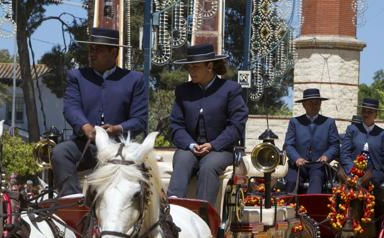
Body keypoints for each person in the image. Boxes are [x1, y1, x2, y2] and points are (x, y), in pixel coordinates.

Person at [51, 27, 148, 196]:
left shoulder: (134, 80)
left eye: (99, 49)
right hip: (85, 146)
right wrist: (85, 126)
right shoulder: (77, 76)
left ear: (114, 52)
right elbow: (71, 107)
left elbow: (139, 120)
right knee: (60, 152)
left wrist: (117, 128)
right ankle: (72, 203)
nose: (92, 53)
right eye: (91, 49)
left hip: (120, 147)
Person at [167, 44, 248, 206]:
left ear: (210, 66)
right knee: (182, 159)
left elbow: (236, 126)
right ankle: (172, 210)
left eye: (196, 67)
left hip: (221, 150)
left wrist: (212, 145)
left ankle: (203, 215)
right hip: (190, 149)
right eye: (189, 68)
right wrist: (190, 145)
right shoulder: (183, 91)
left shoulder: (230, 90)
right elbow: (175, 126)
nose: (191, 72)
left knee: (208, 166)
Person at [283, 88, 339, 193]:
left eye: (317, 103)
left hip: (319, 165)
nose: (314, 106)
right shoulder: (294, 122)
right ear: (304, 105)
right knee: (291, 182)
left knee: (317, 181)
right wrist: (297, 158)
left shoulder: (329, 122)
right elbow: (288, 145)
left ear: (320, 104)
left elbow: (335, 146)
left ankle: (311, 208)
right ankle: (291, 208)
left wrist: (326, 156)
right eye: (310, 103)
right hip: (297, 165)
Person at [340, 98, 384, 185]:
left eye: (370, 112)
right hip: (352, 170)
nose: (366, 114)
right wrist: (353, 170)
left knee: (368, 179)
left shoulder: (382, 134)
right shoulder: (352, 129)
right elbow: (344, 153)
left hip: (374, 172)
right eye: (364, 111)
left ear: (376, 115)